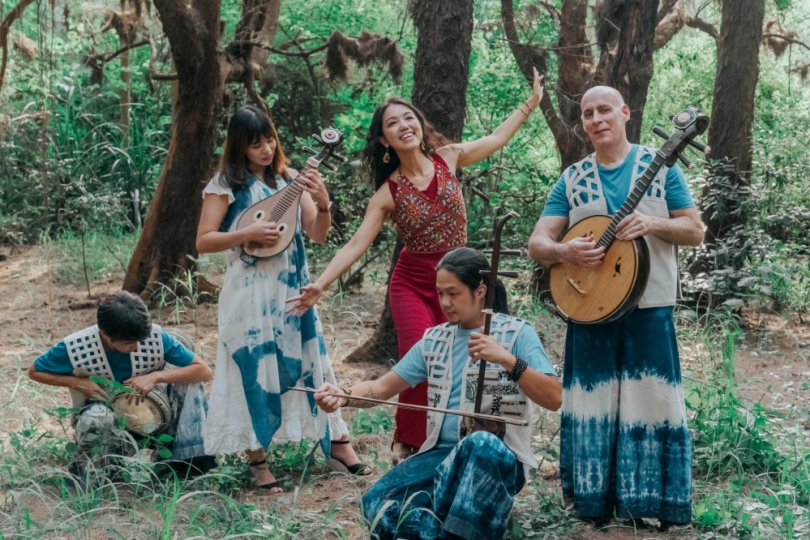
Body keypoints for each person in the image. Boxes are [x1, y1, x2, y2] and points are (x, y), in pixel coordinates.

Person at [287, 69, 546, 461]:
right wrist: (320, 284)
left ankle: (460, 435)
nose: (404, 126)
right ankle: (408, 444)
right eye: (392, 123)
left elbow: (496, 139)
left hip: (458, 279)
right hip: (412, 284)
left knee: (465, 358)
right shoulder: (387, 192)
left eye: (409, 118)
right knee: (422, 359)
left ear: (420, 126)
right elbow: (356, 243)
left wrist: (530, 104)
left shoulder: (449, 158)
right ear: (384, 140)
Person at [528, 86, 704, 528]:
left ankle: (652, 505)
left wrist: (654, 222)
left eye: (604, 109)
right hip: (589, 305)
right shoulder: (572, 178)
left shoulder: (660, 167)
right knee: (591, 401)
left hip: (650, 304)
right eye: (587, 113)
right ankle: (593, 504)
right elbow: (538, 242)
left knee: (652, 401)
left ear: (625, 112)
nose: (596, 119)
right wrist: (565, 251)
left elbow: (695, 230)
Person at [313, 247, 562, 539]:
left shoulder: (518, 334)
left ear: (480, 290)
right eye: (440, 293)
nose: (444, 302)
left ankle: (455, 521)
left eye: (453, 293)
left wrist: (507, 359)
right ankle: (452, 529)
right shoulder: (435, 340)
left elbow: (553, 398)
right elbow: (380, 388)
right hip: (441, 457)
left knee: (481, 443)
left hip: (495, 460)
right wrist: (342, 394)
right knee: (376, 504)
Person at [197, 105, 368, 493]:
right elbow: (204, 240)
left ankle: (339, 442)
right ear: (239, 146)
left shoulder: (290, 179)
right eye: (255, 144)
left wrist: (323, 202)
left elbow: (317, 233)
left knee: (311, 361)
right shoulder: (224, 184)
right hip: (249, 296)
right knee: (253, 369)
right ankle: (257, 461)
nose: (266, 149)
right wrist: (247, 234)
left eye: (270, 140)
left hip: (293, 290)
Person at [28, 291, 214, 487]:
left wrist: (155, 377)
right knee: (97, 416)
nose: (136, 347)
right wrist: (76, 383)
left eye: (139, 340)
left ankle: (183, 466)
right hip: (108, 422)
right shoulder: (76, 346)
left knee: (190, 385)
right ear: (105, 334)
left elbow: (203, 371)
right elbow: (35, 371)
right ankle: (95, 473)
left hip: (157, 416)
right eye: (129, 343)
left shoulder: (155, 336)